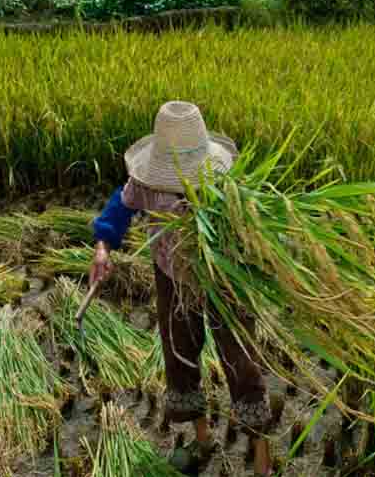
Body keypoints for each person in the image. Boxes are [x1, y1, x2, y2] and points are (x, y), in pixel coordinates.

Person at [89, 101, 274, 476]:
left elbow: (255, 229)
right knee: (179, 353)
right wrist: (102, 248)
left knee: (241, 360)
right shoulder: (145, 183)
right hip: (171, 277)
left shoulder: (223, 184)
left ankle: (262, 461)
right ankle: (202, 440)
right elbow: (118, 209)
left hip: (224, 280)